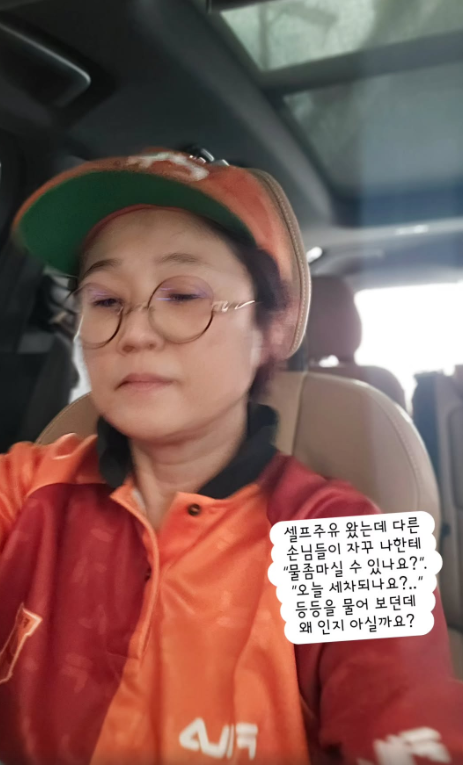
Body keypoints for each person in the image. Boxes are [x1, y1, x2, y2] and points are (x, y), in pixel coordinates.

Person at [0, 149, 462, 765]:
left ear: (272, 329)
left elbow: (405, 720)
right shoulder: (27, 488)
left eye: (182, 295)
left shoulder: (348, 536)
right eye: (106, 301)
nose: (134, 332)